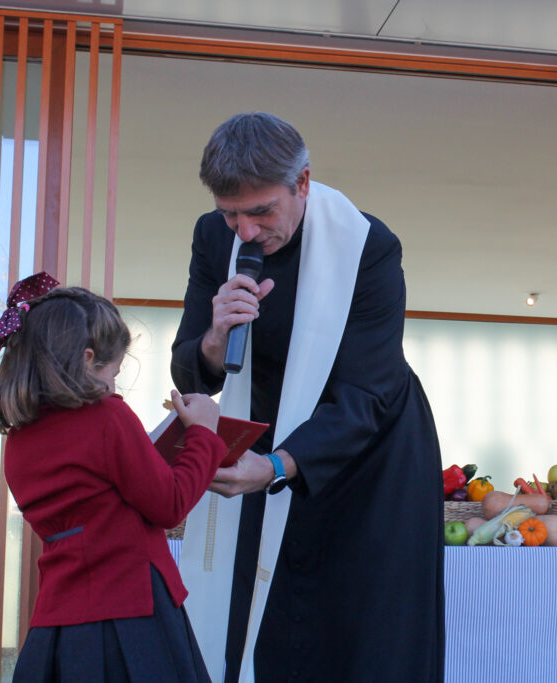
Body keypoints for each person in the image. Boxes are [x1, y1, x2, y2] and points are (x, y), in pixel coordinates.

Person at [171, 112, 444, 682]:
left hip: (367, 450)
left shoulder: (369, 245)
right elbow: (193, 372)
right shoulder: (210, 236)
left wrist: (275, 467)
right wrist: (217, 339)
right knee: (257, 619)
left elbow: (368, 390)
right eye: (230, 214)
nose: (244, 232)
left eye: (261, 211)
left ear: (303, 183)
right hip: (261, 436)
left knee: (358, 633)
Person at [0, 280, 228, 682]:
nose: (113, 387)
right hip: (134, 613)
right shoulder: (107, 417)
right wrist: (203, 433)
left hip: (58, 623)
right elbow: (170, 504)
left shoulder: (18, 439)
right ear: (87, 358)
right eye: (112, 374)